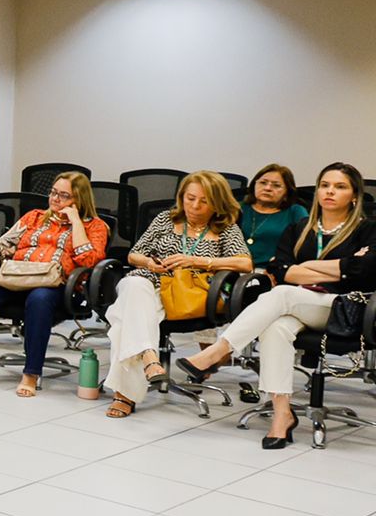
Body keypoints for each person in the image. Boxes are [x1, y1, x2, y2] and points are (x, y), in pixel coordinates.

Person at [178, 162, 376, 449]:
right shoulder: (300, 228)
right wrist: (339, 267)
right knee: (276, 326)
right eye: (325, 185)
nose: (330, 191)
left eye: (340, 186)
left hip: (344, 307)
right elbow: (281, 268)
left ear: (355, 195)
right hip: (298, 305)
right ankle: (282, 414)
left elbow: (365, 270)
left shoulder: (367, 230)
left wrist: (307, 266)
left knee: (281, 294)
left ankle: (218, 352)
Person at [0, 171, 109, 397]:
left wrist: (75, 222)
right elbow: (2, 244)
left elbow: (89, 260)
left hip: (57, 288)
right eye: (53, 193)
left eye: (64, 196)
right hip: (18, 278)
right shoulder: (34, 217)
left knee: (39, 298)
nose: (55, 199)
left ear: (79, 200)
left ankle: (31, 373)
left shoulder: (95, 226)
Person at [102, 171, 251, 418]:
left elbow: (245, 263)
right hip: (151, 283)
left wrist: (198, 260)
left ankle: (126, 393)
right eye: (189, 198)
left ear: (217, 202)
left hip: (191, 293)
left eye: (203, 201)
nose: (194, 206)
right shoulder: (165, 219)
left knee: (125, 321)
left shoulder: (225, 227)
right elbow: (134, 255)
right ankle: (150, 357)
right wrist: (150, 264)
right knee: (133, 286)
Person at [238, 163, 307, 258]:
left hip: (271, 269)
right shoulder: (239, 208)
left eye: (276, 185)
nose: (267, 188)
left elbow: (306, 245)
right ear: (254, 185)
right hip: (233, 267)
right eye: (263, 183)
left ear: (287, 192)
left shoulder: (295, 212)